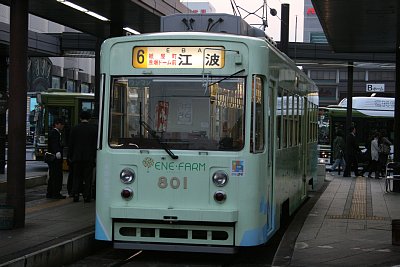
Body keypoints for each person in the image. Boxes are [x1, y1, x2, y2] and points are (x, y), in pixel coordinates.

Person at [68, 111, 97, 203]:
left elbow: (71, 144)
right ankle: (86, 196)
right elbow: (94, 144)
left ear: (80, 118)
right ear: (89, 118)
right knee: (88, 177)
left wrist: (70, 156)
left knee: (77, 177)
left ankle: (76, 195)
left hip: (77, 157)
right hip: (89, 158)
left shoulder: (75, 128)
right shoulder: (93, 129)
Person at [46, 118, 66, 199]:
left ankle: (50, 193)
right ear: (57, 124)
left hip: (51, 158)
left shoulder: (54, 132)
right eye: (61, 124)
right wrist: (57, 151)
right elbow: (55, 144)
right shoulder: (55, 133)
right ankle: (55, 193)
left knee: (52, 176)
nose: (62, 126)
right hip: (55, 158)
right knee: (56, 176)